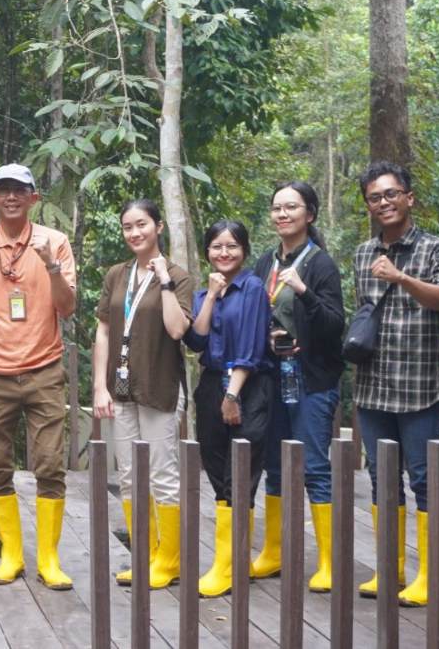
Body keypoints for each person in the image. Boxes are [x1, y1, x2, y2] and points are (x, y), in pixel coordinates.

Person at [0, 164, 77, 590]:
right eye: (3, 189)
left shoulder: (55, 242)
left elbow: (67, 308)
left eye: (19, 190)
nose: (11, 196)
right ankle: (10, 554)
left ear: (33, 198)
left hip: (44, 368)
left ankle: (48, 558)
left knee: (49, 465)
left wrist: (52, 267)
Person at [352, 161, 439, 607]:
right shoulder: (362, 253)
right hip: (372, 388)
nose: (384, 203)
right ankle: (390, 569)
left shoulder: (438, 248)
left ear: (409, 198)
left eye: (391, 194)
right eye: (375, 197)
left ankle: (429, 576)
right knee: (381, 481)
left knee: (424, 480)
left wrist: (400, 278)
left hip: (419, 389)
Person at [247, 182, 345, 592]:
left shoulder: (321, 265)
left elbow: (333, 324)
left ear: (310, 214)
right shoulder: (264, 262)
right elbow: (252, 311)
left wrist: (303, 291)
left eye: (292, 207)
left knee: (316, 468)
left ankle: (328, 561)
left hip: (311, 380)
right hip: (271, 379)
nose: (283, 214)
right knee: (274, 463)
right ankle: (272, 552)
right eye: (277, 208)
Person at [91, 199, 193, 589]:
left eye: (142, 225)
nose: (135, 233)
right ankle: (146, 554)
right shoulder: (117, 274)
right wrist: (99, 386)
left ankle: (170, 559)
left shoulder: (179, 275)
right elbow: (102, 329)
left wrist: (164, 278)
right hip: (120, 389)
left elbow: (177, 329)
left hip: (159, 386)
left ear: (159, 227)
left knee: (162, 474)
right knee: (130, 475)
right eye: (128, 227)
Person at [184, 220, 271, 598]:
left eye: (232, 246)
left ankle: (229, 565)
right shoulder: (206, 293)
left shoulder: (252, 287)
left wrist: (232, 396)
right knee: (217, 468)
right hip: (210, 383)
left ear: (244, 250)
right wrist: (214, 296)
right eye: (217, 246)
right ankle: (230, 561)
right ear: (207, 252)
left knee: (242, 472)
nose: (224, 253)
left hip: (246, 387)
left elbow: (251, 347)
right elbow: (196, 341)